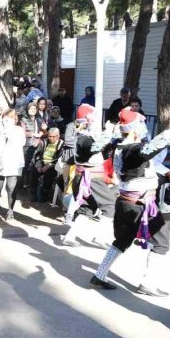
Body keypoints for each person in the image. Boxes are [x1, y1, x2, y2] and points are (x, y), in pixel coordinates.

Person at [90, 112, 170, 296]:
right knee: (161, 243)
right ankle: (148, 284)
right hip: (140, 204)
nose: (145, 129)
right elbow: (147, 150)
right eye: (141, 125)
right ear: (135, 129)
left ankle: (99, 275)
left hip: (126, 202)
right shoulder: (133, 149)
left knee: (122, 240)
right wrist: (169, 131)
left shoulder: (117, 145)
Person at [60, 104, 118, 247]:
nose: (96, 120)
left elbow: (102, 152)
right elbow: (95, 148)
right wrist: (108, 133)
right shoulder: (83, 137)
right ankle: (100, 237)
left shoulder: (86, 135)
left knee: (88, 209)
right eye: (94, 117)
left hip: (88, 177)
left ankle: (69, 237)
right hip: (91, 178)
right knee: (110, 206)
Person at [0, 109, 26, 220]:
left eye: (10, 118)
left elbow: (21, 143)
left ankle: (10, 210)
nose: (7, 120)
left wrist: (9, 135)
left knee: (11, 187)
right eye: (5, 118)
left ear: (15, 119)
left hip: (14, 161)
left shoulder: (19, 130)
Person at [31, 127, 64, 203]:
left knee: (49, 174)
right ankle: (33, 193)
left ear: (58, 136)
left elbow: (60, 158)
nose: (51, 138)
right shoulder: (43, 142)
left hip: (53, 165)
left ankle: (44, 194)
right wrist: (39, 165)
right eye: (49, 136)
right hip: (42, 162)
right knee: (34, 171)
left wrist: (49, 165)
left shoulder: (62, 144)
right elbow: (37, 155)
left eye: (53, 136)